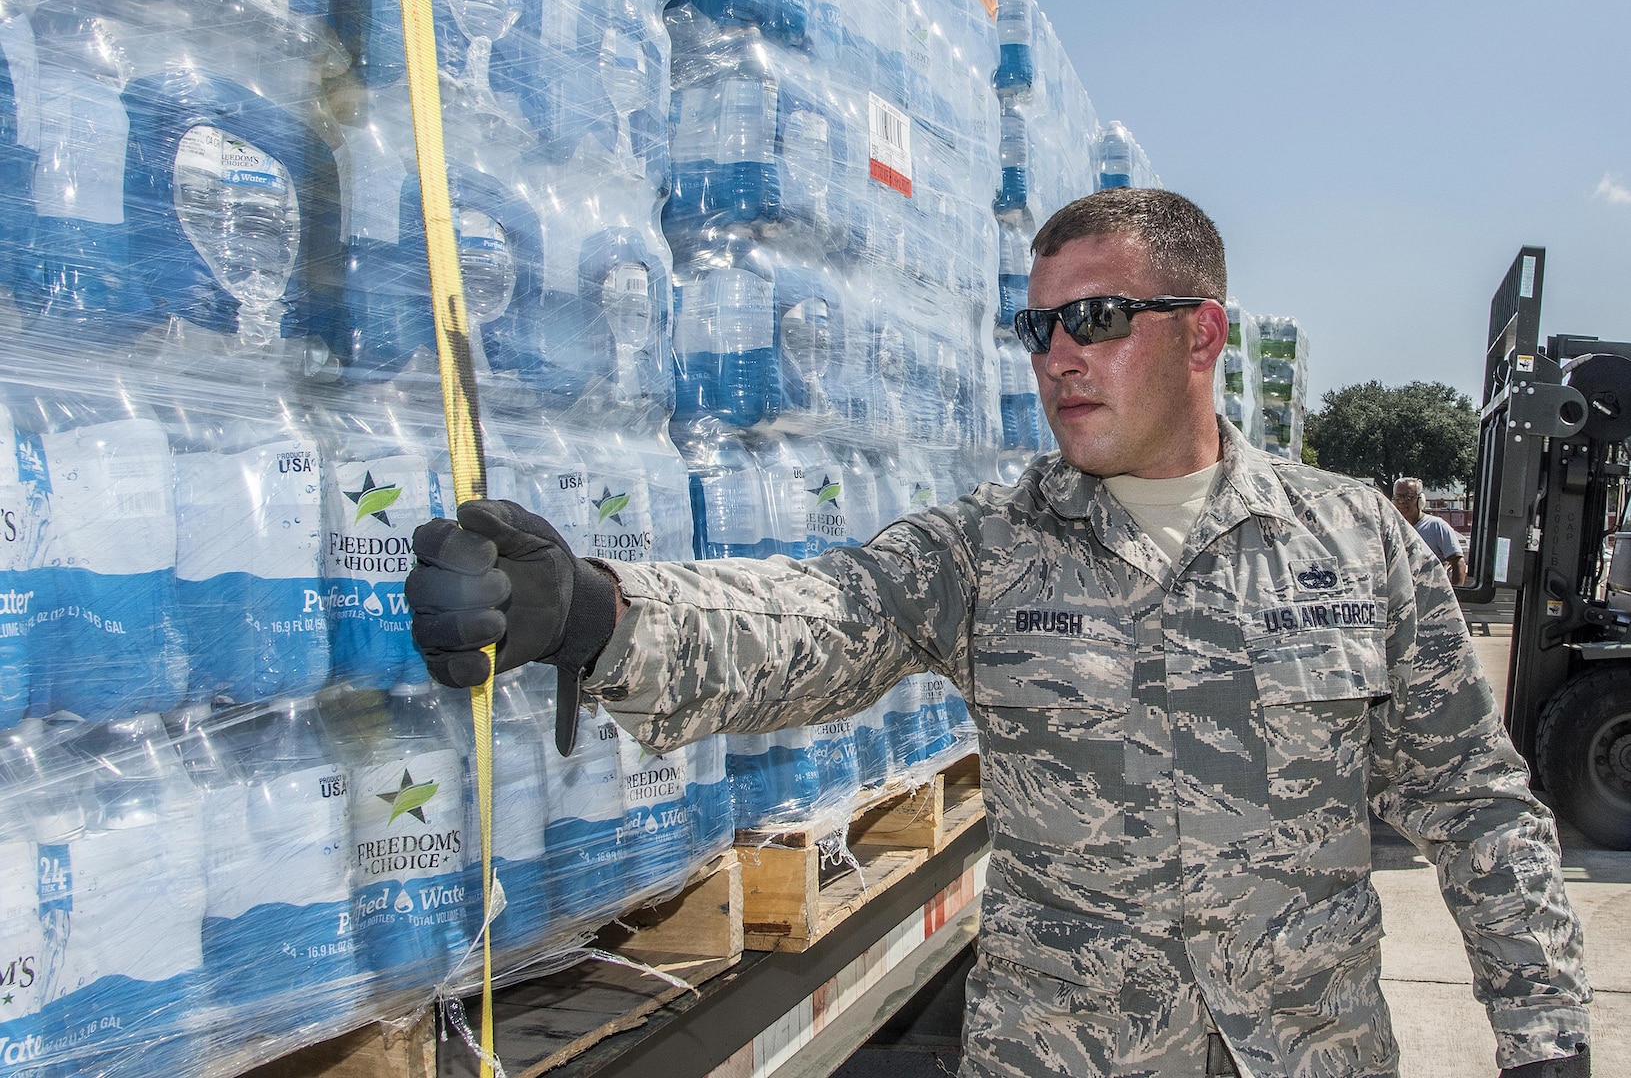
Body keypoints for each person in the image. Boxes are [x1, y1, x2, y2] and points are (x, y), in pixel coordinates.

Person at [406, 189, 1590, 1077]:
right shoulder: (986, 550)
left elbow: (1471, 801)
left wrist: (1542, 1036)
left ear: (1202, 333)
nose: (1058, 354)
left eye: (1097, 318)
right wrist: (597, 613)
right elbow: (818, 616)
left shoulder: (1352, 541)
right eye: (1038, 328)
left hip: (1303, 1050)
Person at [1393, 477, 1469, 586]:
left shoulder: (1437, 526)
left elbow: (1458, 562)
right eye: (1398, 497)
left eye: (1408, 497)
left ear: (1420, 500)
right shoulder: (1390, 528)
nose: (1401, 502)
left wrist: (1456, 595)